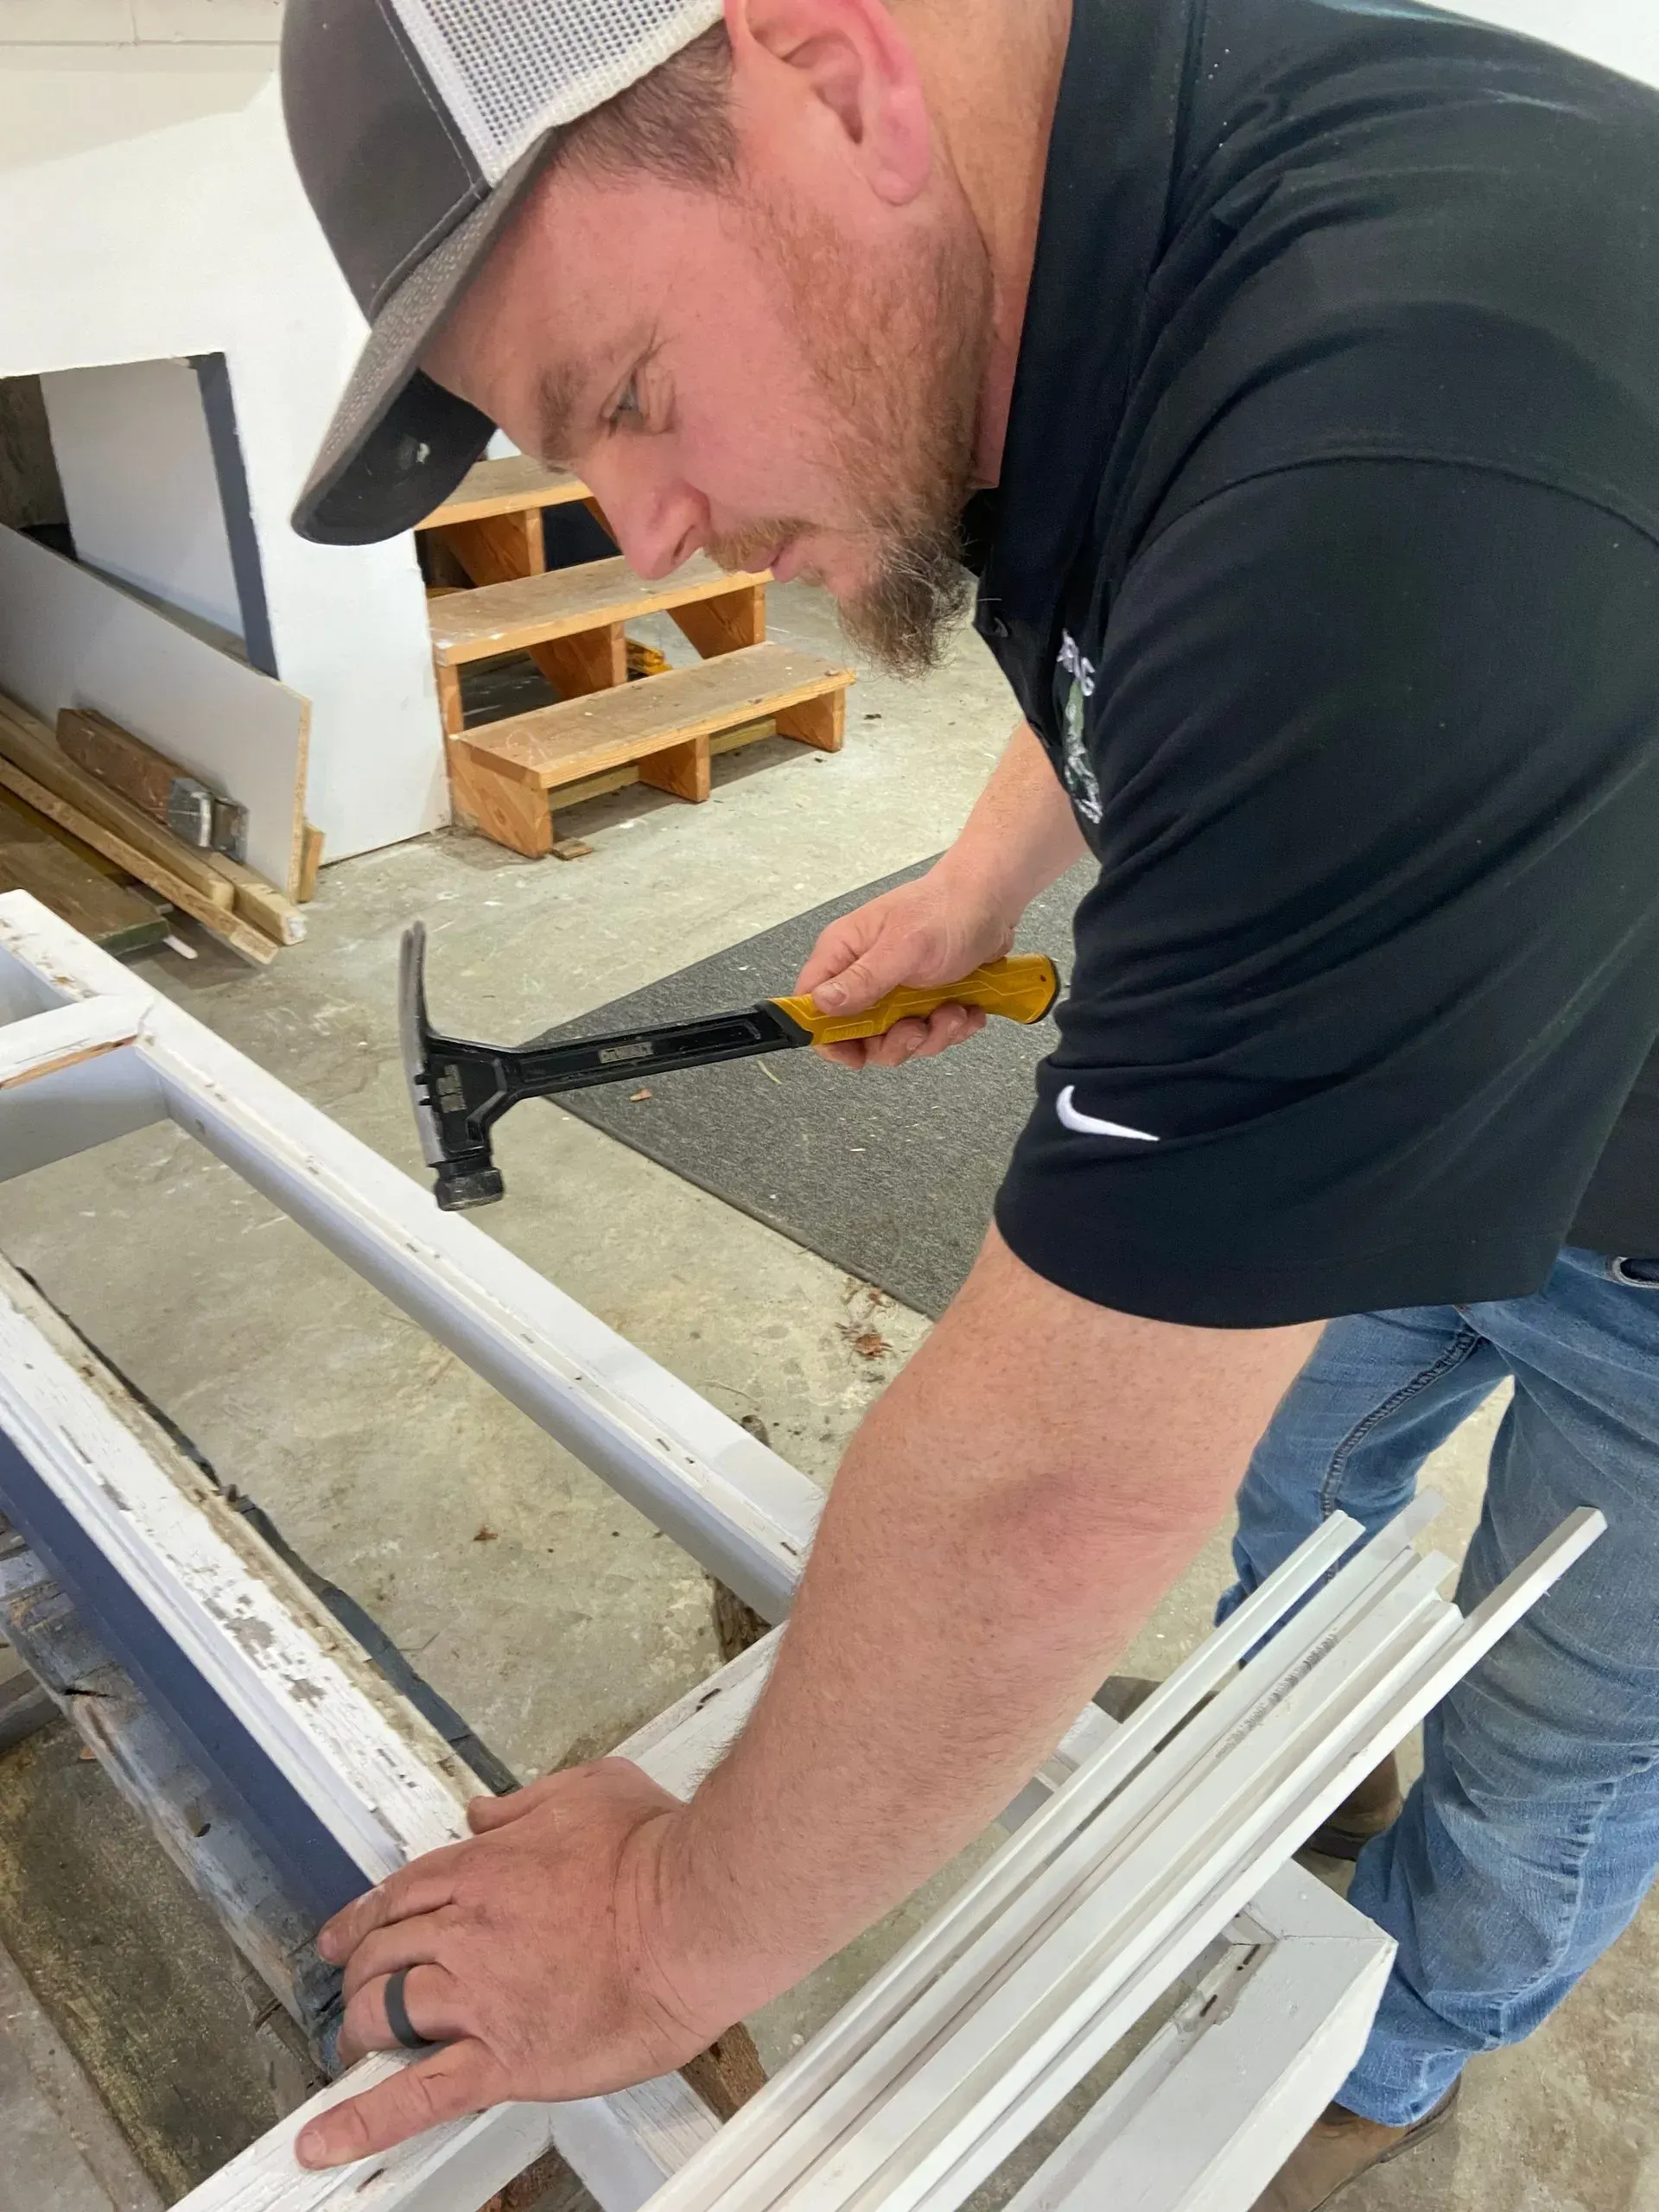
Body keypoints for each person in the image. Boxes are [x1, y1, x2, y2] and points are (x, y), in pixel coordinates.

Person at [277, 1, 1659, 2202]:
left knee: (1557, 1738)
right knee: (1304, 1537)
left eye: (624, 399)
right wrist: (981, 873)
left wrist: (661, 1926)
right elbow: (1132, 581)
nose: (649, 537)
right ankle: (1301, 1786)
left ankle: (1386, 2047)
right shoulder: (1083, 248)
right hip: (1452, 1113)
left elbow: (1050, 1486)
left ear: (833, 74)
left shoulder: (1411, 449)